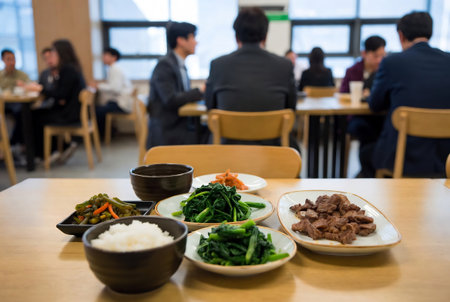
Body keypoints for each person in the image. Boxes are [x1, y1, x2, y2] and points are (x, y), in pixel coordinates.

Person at [365, 11, 450, 177]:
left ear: (401, 35)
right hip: (444, 159)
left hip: (403, 159)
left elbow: (375, 105)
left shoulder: (392, 62)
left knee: (366, 153)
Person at [205, 7, 297, 148]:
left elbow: (210, 107)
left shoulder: (218, 65)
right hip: (272, 151)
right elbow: (291, 108)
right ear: (265, 36)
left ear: (236, 37)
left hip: (228, 150)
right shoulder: (284, 65)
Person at [147, 22, 204, 147]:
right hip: (168, 129)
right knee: (211, 136)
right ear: (181, 40)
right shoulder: (165, 65)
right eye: (192, 37)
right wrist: (200, 91)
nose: (196, 42)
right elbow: (170, 99)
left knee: (208, 131)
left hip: (179, 123)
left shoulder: (179, 64)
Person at [340, 36, 387, 177]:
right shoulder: (353, 70)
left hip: (378, 115)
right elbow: (342, 94)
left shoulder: (384, 71)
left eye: (382, 56)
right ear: (364, 53)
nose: (379, 60)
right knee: (364, 128)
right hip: (357, 116)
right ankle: (367, 170)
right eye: (376, 56)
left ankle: (369, 171)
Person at [33, 39, 86, 159]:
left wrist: (40, 89)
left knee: (35, 116)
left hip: (70, 114)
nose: (52, 56)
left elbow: (61, 94)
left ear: (60, 53)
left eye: (53, 53)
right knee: (38, 114)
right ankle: (59, 147)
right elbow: (61, 95)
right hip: (72, 111)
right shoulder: (73, 67)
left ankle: (47, 152)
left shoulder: (67, 69)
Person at [90, 47, 133, 137]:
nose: (104, 57)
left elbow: (115, 88)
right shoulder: (113, 68)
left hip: (121, 104)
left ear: (114, 57)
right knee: (100, 108)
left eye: (106, 55)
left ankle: (103, 135)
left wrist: (98, 86)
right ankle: (106, 133)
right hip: (120, 101)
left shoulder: (115, 69)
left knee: (96, 111)